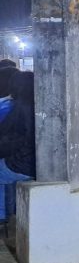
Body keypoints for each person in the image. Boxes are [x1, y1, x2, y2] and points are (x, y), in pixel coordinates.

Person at [0, 72, 35, 221]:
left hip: (23, 163)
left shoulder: (16, 107)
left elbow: (11, 140)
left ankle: (3, 216)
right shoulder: (41, 103)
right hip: (39, 164)